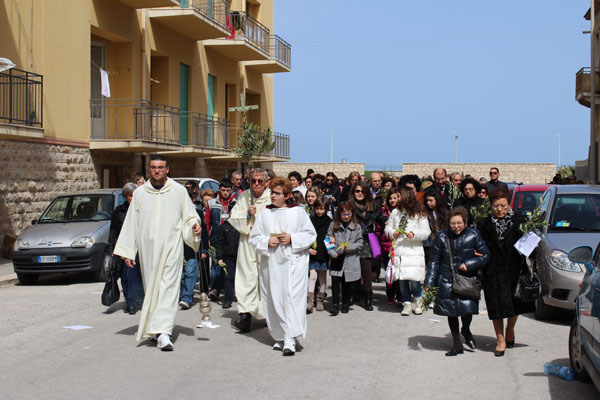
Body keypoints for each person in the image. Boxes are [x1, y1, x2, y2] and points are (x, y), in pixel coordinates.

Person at [114, 155, 202, 351]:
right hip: (148, 250)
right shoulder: (140, 194)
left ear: (167, 169)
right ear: (149, 169)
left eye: (160, 167)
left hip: (172, 247)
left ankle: (163, 333)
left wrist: (194, 226)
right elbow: (132, 223)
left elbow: (190, 217)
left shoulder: (178, 191)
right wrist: (128, 251)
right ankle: (156, 329)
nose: (156, 171)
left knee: (169, 288)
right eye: (153, 167)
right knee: (153, 289)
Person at [249, 177, 316, 356]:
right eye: (272, 192)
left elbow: (310, 234)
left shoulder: (298, 212)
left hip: (293, 264)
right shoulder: (265, 214)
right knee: (274, 298)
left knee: (291, 299)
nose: (273, 196)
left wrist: (292, 238)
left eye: (277, 193)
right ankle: (279, 335)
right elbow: (254, 238)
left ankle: (290, 337)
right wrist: (267, 241)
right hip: (272, 264)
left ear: (287, 196)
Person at [424, 207, 490, 356]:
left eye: (459, 223)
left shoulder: (473, 234)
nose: (456, 226)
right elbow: (434, 261)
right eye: (453, 223)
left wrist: (469, 264)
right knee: (451, 311)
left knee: (467, 310)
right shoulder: (442, 236)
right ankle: (456, 343)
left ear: (465, 222)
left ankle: (465, 330)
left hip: (467, 279)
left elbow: (486, 255)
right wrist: (429, 282)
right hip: (446, 279)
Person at [479, 188, 535, 357]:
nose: (499, 209)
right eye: (496, 206)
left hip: (514, 268)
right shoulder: (484, 224)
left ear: (509, 205)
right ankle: (500, 339)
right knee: (495, 306)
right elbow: (479, 245)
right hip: (493, 270)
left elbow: (530, 245)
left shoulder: (520, 221)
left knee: (514, 304)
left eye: (503, 206)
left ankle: (510, 328)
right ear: (491, 206)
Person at [228, 168, 271, 332]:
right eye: (253, 181)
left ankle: (267, 313)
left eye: (260, 181)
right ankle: (245, 315)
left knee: (265, 278)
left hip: (266, 243)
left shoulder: (272, 197)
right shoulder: (244, 196)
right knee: (246, 277)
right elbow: (233, 216)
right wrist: (247, 214)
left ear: (266, 182)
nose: (257, 184)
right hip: (247, 243)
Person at [385, 186, 431, 316]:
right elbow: (387, 228)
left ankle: (419, 301)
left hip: (413, 251)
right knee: (402, 280)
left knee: (414, 280)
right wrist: (392, 233)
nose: (397, 199)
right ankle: (406, 304)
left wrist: (414, 234)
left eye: (399, 196)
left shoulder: (419, 212)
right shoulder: (395, 212)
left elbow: (426, 232)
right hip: (399, 250)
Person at [106, 182, 143, 315]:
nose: (132, 198)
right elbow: (113, 231)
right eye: (130, 196)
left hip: (136, 247)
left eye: (134, 195)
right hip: (121, 247)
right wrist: (111, 249)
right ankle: (129, 301)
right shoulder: (119, 211)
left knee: (132, 275)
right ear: (125, 196)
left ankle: (133, 302)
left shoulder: (141, 210)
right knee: (124, 277)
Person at [351, 181, 388, 310]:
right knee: (352, 268)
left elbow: (380, 217)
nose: (360, 193)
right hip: (352, 239)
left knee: (366, 269)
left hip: (366, 240)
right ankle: (352, 294)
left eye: (362, 191)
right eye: (357, 191)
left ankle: (368, 297)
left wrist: (387, 221)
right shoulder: (349, 205)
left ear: (367, 192)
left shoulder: (372, 206)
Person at [327, 201, 363, 315]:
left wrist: (350, 247)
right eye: (343, 214)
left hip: (349, 259)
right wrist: (332, 252)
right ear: (339, 214)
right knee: (335, 282)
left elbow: (360, 242)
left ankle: (345, 303)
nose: (346, 217)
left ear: (352, 214)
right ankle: (335, 304)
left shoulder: (357, 227)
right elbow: (327, 239)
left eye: (348, 214)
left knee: (347, 283)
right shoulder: (333, 225)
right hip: (337, 257)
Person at [179, 187, 209, 310]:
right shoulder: (175, 214)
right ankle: (182, 294)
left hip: (193, 249)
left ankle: (186, 298)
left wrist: (204, 249)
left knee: (190, 273)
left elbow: (204, 232)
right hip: (178, 249)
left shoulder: (197, 213)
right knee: (180, 275)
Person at [207, 179, 237, 301]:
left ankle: (231, 289)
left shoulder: (236, 202)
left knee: (231, 266)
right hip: (216, 238)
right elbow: (207, 221)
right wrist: (207, 237)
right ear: (219, 190)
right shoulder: (212, 203)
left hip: (231, 239)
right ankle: (215, 289)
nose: (225, 193)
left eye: (228, 190)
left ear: (231, 190)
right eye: (223, 190)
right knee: (216, 265)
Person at [307, 197, 331, 313]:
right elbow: (307, 235)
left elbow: (330, 236)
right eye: (317, 208)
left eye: (322, 209)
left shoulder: (329, 221)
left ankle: (320, 299)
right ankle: (310, 300)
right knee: (312, 275)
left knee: (322, 276)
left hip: (324, 252)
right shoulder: (310, 220)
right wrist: (308, 249)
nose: (319, 211)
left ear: (326, 209)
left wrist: (330, 250)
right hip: (313, 251)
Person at [214, 218, 240, 310]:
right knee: (228, 277)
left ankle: (241, 298)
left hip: (241, 256)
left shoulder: (242, 225)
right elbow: (219, 243)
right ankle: (228, 299)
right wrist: (219, 257)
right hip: (228, 256)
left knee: (241, 278)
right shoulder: (224, 226)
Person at [380, 188, 400, 303]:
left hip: (399, 245)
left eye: (395, 198)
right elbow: (379, 229)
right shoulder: (384, 211)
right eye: (390, 198)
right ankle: (390, 293)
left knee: (399, 272)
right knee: (389, 271)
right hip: (387, 245)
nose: (392, 200)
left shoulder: (403, 211)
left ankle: (400, 294)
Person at [423, 189, 448, 266]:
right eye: (427, 201)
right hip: (429, 244)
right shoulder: (424, 213)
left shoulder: (445, 213)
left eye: (431, 200)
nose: (428, 203)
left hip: (442, 243)